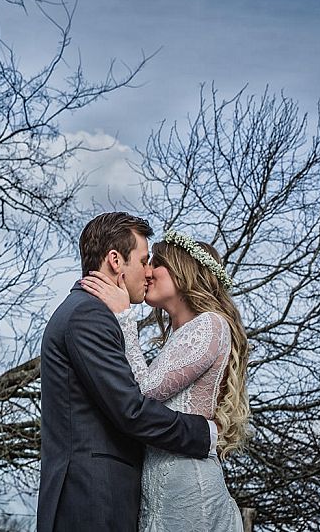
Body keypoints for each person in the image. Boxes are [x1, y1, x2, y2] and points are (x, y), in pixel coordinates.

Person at [38, 213, 217, 532]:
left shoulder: (88, 311)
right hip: (91, 499)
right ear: (115, 260)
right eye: (144, 260)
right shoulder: (88, 315)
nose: (149, 271)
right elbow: (130, 409)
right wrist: (204, 433)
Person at [81, 228, 250, 532]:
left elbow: (144, 391)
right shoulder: (179, 335)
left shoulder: (210, 324)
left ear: (182, 272)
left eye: (155, 263)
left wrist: (123, 318)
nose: (147, 273)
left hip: (189, 490)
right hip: (160, 492)